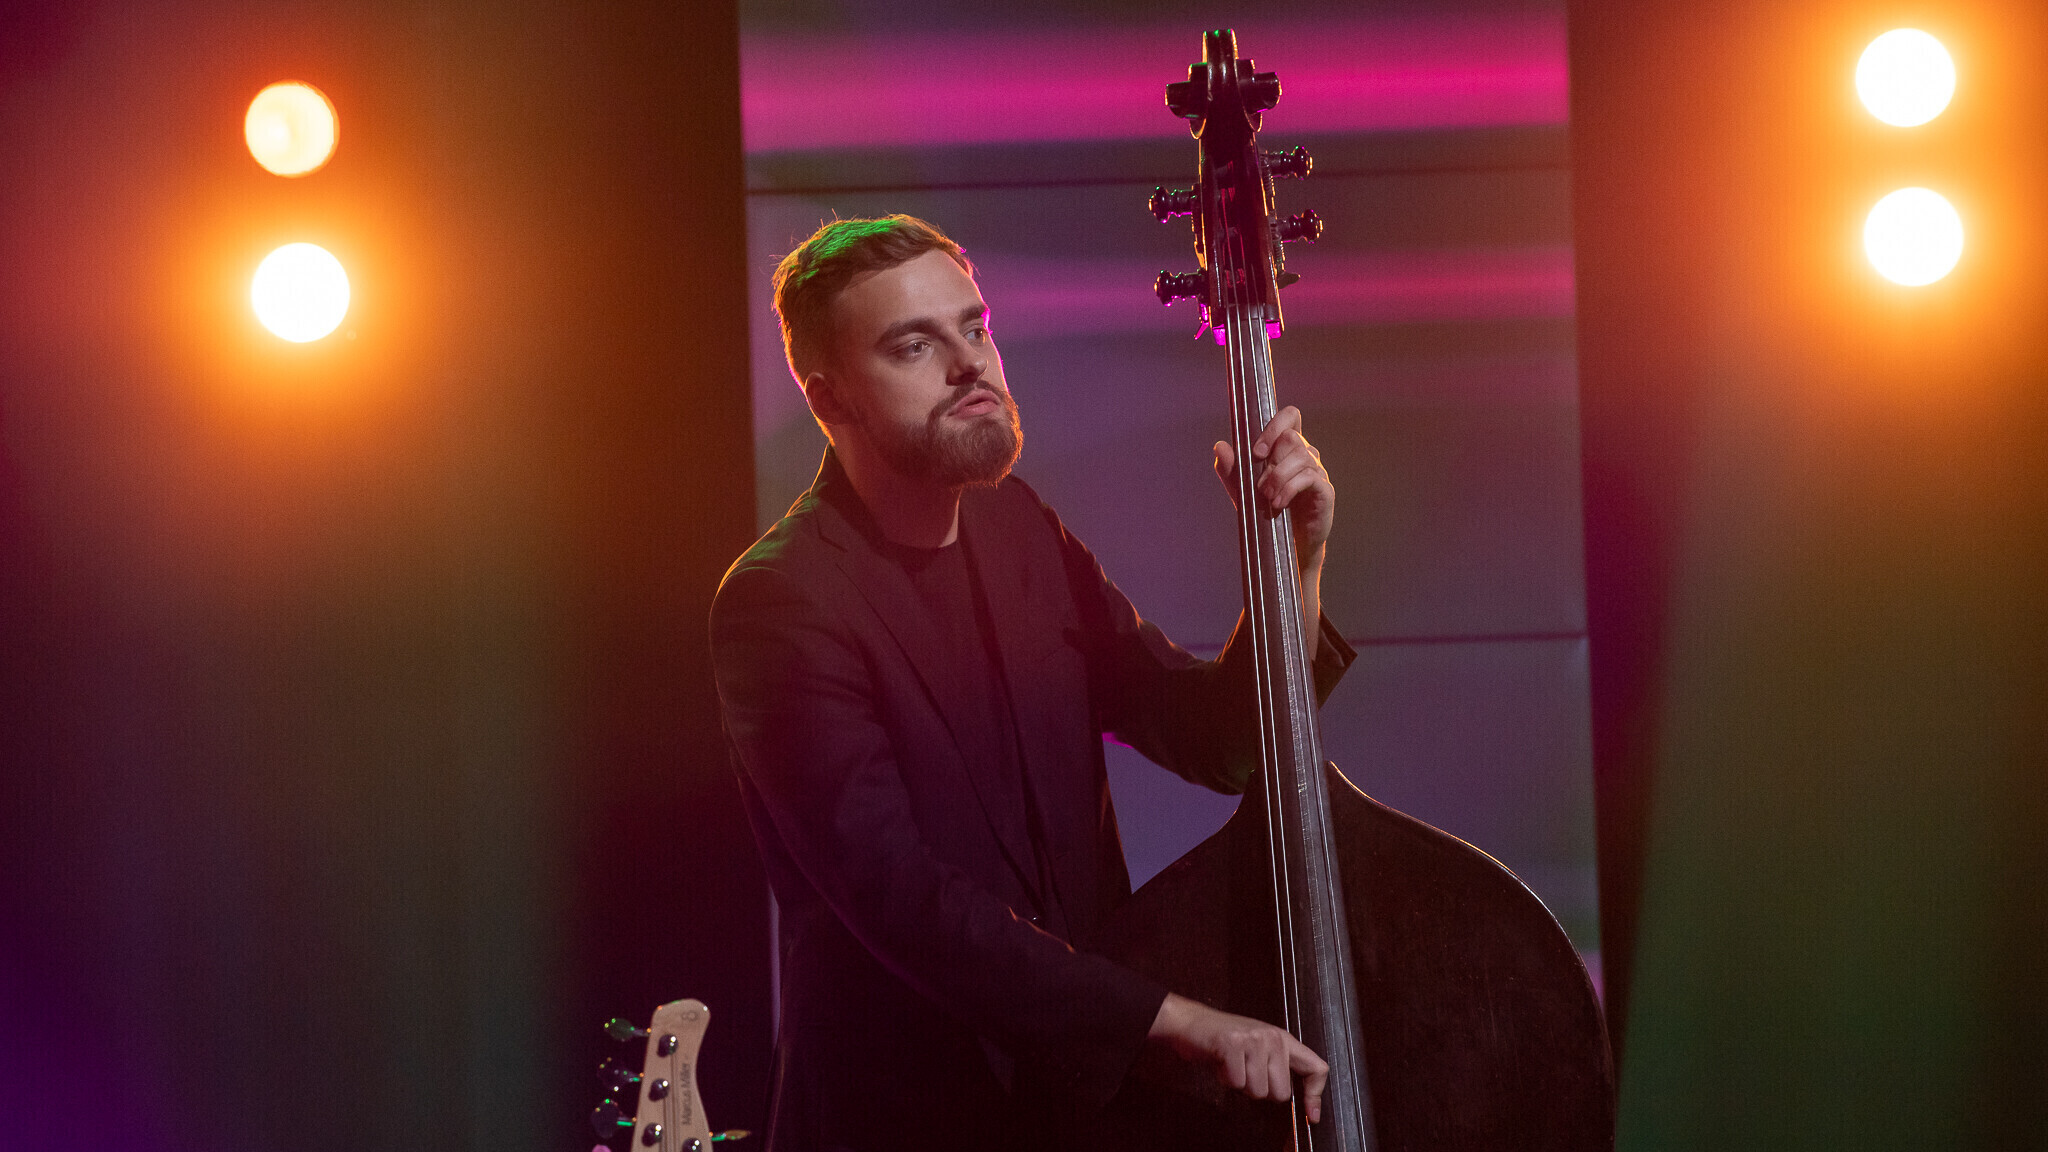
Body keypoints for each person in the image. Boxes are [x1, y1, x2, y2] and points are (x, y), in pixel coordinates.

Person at [710, 216, 1353, 1150]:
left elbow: (1216, 743)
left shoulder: (1018, 526)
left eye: (974, 327)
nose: (969, 364)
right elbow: (905, 902)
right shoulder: (782, 600)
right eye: (914, 346)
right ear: (829, 397)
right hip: (906, 1124)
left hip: (1078, 1113)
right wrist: (1175, 1020)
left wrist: (1295, 569)